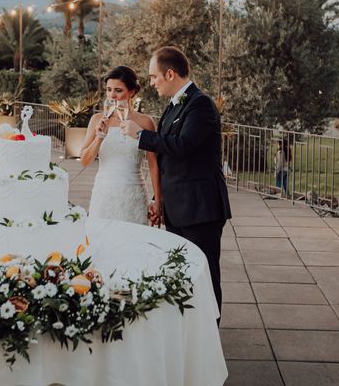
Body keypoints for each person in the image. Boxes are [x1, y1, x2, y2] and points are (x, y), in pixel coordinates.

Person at [121, 46, 231, 313]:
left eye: (153, 76)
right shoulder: (171, 107)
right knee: (181, 272)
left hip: (200, 207)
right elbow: (167, 158)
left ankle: (209, 332)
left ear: (169, 74)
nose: (151, 83)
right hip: (176, 207)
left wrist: (140, 136)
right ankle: (188, 328)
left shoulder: (201, 104)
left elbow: (183, 145)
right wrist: (159, 200)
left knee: (204, 274)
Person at [81, 66, 161, 225]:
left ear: (132, 92)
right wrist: (100, 137)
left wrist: (158, 201)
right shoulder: (97, 120)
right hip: (103, 194)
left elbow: (154, 166)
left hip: (133, 194)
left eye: (118, 90)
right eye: (108, 90)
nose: (112, 95)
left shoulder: (145, 122)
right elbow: (84, 161)